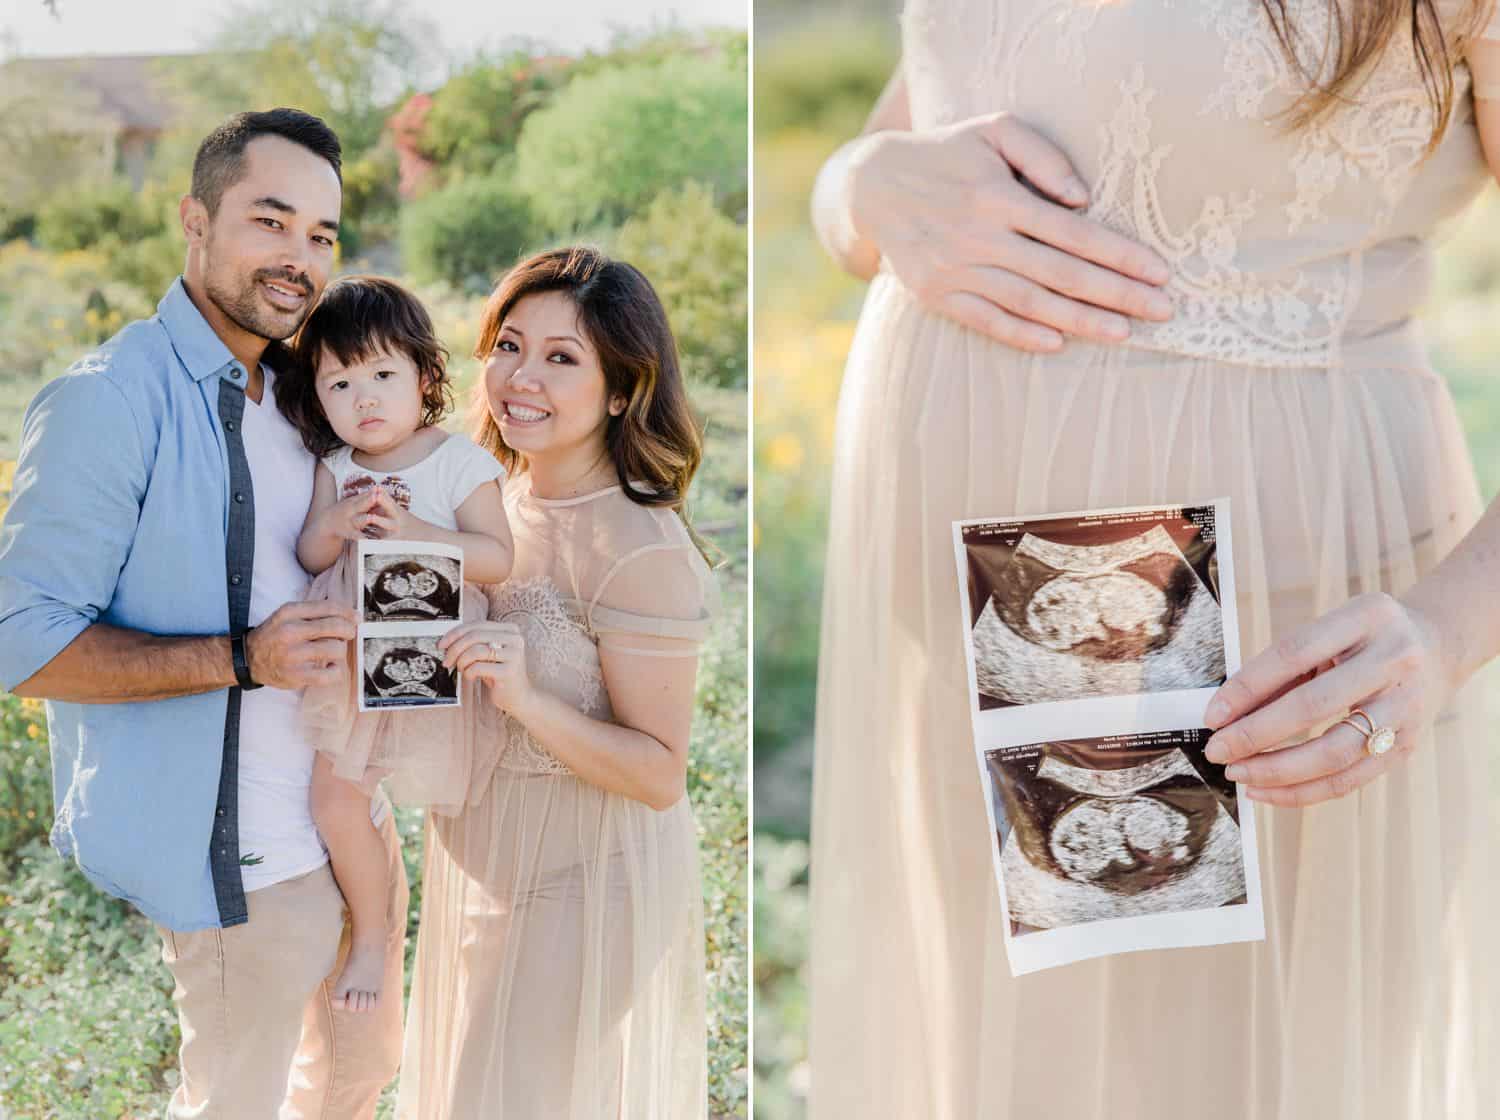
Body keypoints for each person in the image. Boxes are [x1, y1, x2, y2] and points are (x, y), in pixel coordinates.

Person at [806, 3, 1500, 1117]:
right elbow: (942, 98)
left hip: (1254, 630)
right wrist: (860, 183)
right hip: (960, 626)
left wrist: (1451, 627)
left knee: (1201, 1080)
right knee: (1004, 1068)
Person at [0, 109, 404, 1117]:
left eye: (320, 235)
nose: (299, 258)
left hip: (344, 829)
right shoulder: (107, 400)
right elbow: (21, 639)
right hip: (242, 869)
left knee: (352, 1089)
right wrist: (243, 656)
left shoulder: (306, 392)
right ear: (195, 218)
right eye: (270, 221)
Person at [395, 247, 717, 1117]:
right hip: (483, 867)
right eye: (508, 345)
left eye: (561, 357)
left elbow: (658, 774)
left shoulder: (638, 552)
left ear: (621, 389)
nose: (519, 377)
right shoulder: (481, 501)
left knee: (485, 1102)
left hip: (589, 880)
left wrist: (528, 699)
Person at [278, 274, 514, 1013]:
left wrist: (418, 534)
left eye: (383, 375)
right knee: (335, 794)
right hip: (355, 673)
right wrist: (335, 526)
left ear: (424, 375)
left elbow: (499, 557)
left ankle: (486, 945)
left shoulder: (456, 463)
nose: (364, 400)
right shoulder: (336, 470)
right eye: (340, 384)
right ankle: (376, 936)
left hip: (436, 662)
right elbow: (313, 557)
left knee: (458, 808)